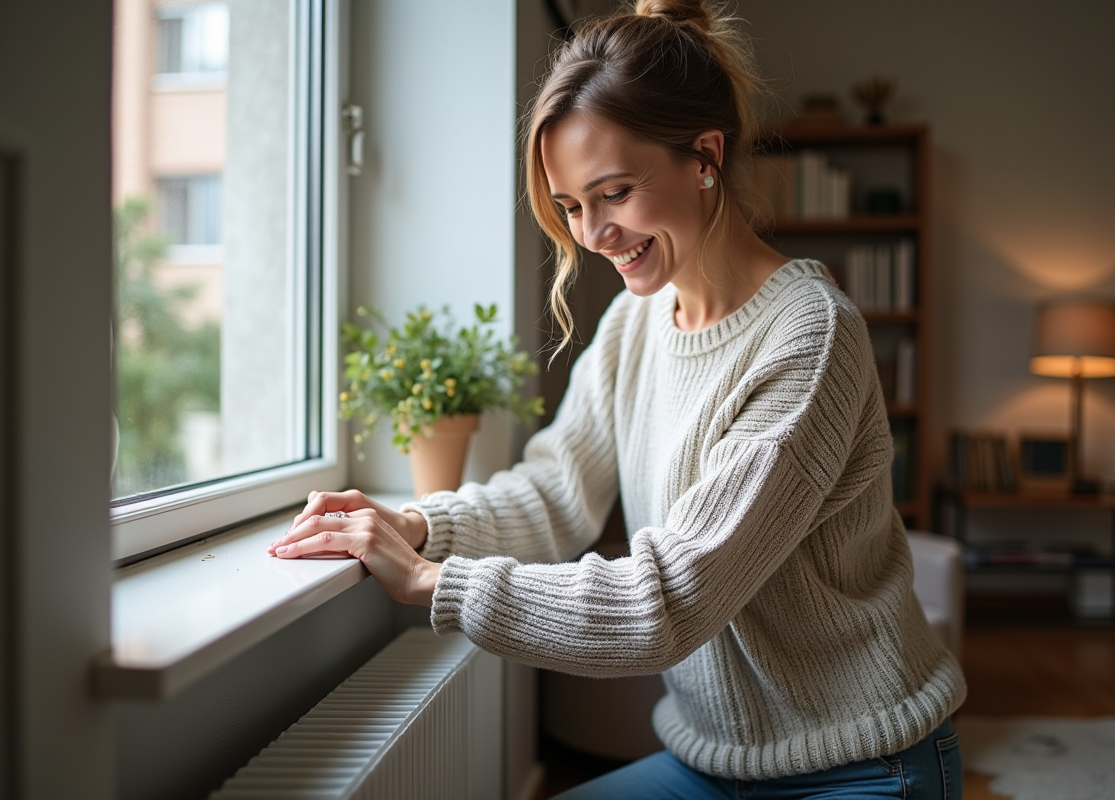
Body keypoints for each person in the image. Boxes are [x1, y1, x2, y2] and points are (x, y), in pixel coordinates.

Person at [269, 1, 967, 797]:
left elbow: (668, 603)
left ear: (705, 156)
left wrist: (433, 582)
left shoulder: (808, 338)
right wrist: (422, 526)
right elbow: (556, 492)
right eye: (570, 206)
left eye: (615, 192)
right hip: (710, 762)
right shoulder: (638, 319)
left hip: (862, 765)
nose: (592, 233)